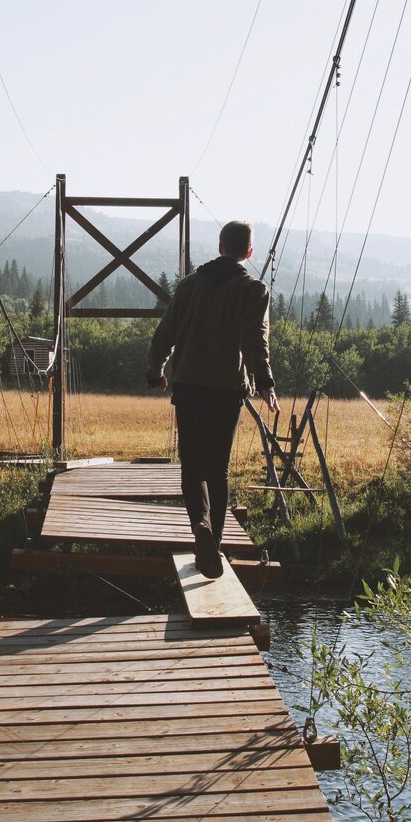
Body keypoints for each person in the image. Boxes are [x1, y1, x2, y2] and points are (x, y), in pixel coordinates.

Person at [146, 220, 279, 578]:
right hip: (226, 389)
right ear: (248, 252)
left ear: (220, 245)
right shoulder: (254, 290)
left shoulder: (189, 286)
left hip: (188, 385)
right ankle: (214, 546)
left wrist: (155, 371)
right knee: (218, 469)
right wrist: (265, 382)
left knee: (192, 466)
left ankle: (199, 527)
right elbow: (255, 340)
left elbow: (165, 333)